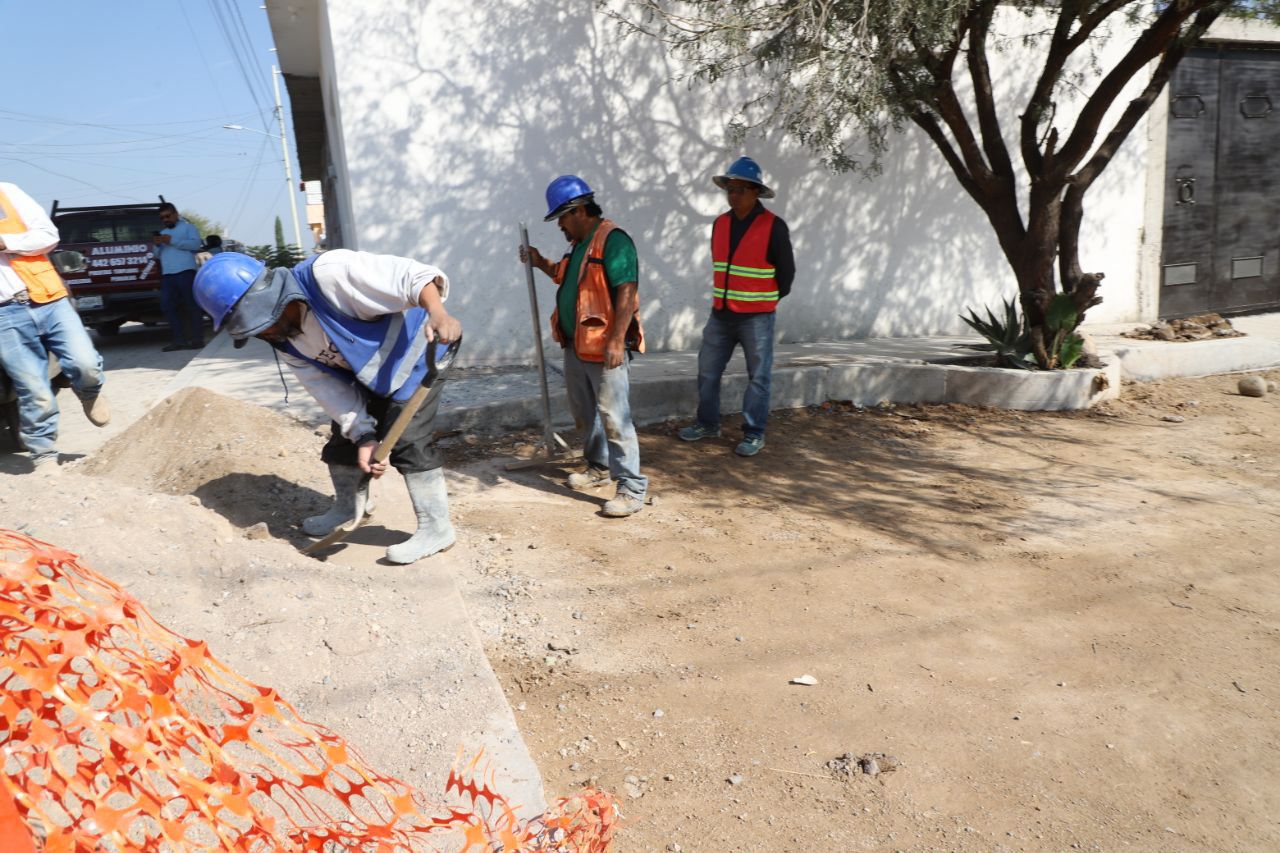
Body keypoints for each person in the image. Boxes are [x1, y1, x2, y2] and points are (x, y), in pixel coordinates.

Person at [193, 249, 462, 564]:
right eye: (256, 330)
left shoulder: (330, 275)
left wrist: (438, 312)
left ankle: (437, 528)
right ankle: (349, 508)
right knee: (343, 441)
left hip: (418, 355)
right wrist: (363, 435)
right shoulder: (283, 339)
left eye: (265, 323)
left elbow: (412, 276)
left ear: (275, 298)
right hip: (367, 374)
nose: (266, 333)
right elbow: (326, 389)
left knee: (408, 442)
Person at [519, 175, 648, 517]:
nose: (559, 224)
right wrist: (537, 260)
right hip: (577, 346)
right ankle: (598, 468)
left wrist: (617, 340)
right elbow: (562, 274)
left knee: (615, 417)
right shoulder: (579, 245)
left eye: (561, 217)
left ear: (577, 210)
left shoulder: (613, 240)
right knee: (585, 414)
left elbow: (626, 290)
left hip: (605, 348)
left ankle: (631, 489)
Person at [678, 156, 795, 457]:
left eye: (740, 189)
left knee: (759, 377)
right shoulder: (720, 224)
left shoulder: (774, 227)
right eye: (729, 189)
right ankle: (707, 424)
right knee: (707, 372)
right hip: (721, 314)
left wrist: (764, 299)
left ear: (756, 192)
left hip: (756, 317)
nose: (733, 195)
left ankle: (754, 432)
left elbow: (787, 274)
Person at [0, 181, 110, 469]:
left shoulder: (6, 193)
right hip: (4, 314)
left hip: (47, 297)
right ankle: (44, 454)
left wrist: (6, 242)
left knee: (84, 362)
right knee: (31, 387)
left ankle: (89, 392)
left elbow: (48, 236)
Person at [155, 202, 204, 351]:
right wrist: (157, 245)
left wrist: (172, 241)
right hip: (168, 276)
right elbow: (156, 255)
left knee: (192, 307)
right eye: (162, 217)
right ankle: (179, 340)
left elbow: (196, 245)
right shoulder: (162, 232)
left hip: (186, 272)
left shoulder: (189, 228)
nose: (165, 220)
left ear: (176, 214)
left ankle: (197, 340)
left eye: (168, 216)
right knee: (167, 307)